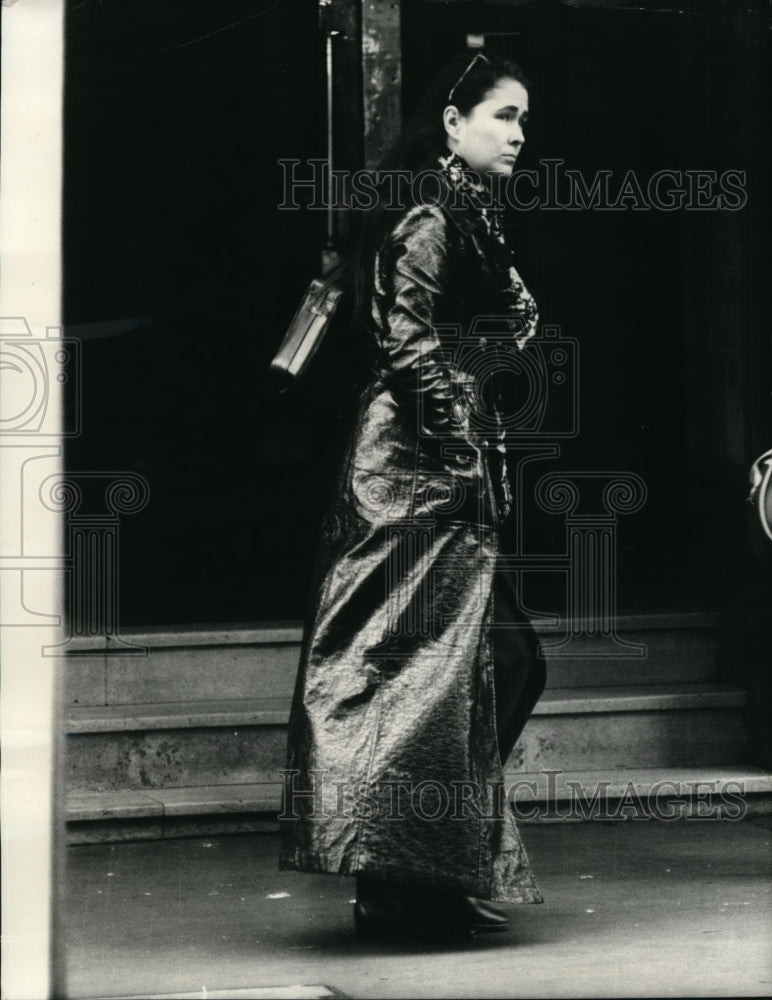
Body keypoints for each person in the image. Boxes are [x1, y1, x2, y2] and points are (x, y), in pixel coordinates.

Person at [279, 50, 546, 941]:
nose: (518, 134)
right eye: (504, 116)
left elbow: (485, 329)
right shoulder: (431, 210)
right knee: (434, 670)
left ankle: (421, 867)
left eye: (522, 119)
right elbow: (406, 342)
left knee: (475, 669)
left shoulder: (465, 208)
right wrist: (461, 445)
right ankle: (401, 878)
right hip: (413, 470)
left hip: (440, 464)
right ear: (453, 121)